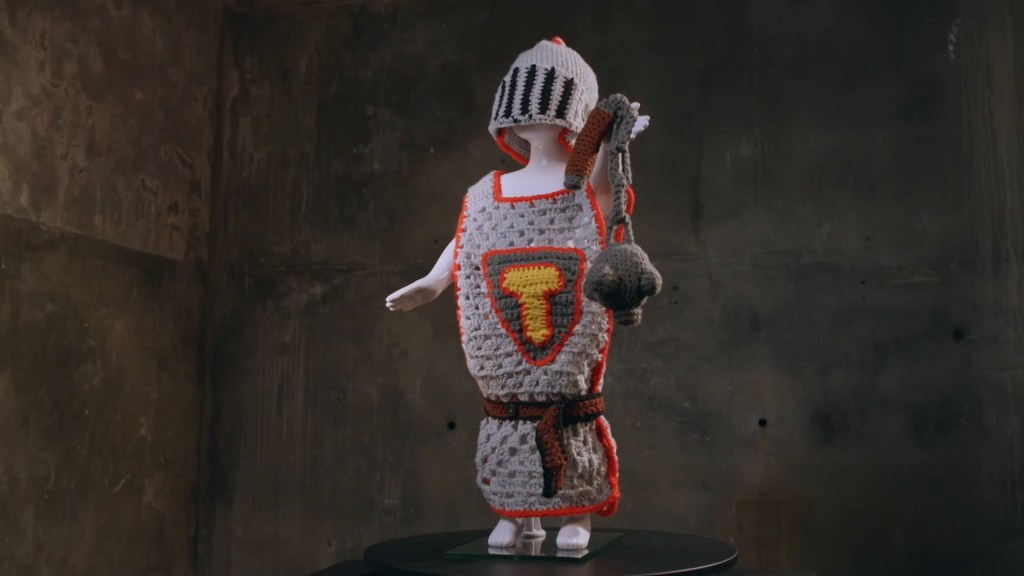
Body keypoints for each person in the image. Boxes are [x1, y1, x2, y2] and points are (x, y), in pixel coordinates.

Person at [386, 37, 648, 550]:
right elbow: (469, 238)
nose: (532, 119)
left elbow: (603, 196)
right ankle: (516, 512)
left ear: (573, 117)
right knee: (510, 415)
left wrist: (612, 144)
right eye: (521, 108)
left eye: (547, 107)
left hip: (567, 341)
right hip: (506, 350)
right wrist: (435, 280)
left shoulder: (582, 190)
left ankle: (575, 514)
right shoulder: (484, 194)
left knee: (569, 409)